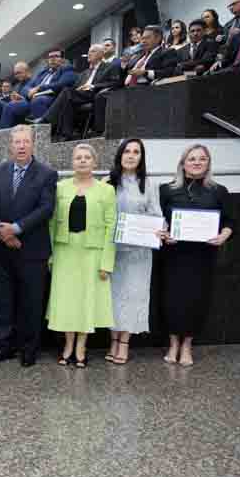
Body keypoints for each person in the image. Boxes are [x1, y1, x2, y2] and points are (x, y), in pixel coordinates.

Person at [0, 125, 58, 367]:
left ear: (33, 144)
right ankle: (3, 347)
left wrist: (16, 229)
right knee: (2, 302)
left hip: (32, 250)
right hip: (1, 249)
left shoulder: (47, 174)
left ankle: (29, 350)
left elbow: (46, 209)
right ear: (10, 145)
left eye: (26, 142)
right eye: (17, 142)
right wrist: (1, 231)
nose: (21, 146)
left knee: (31, 303)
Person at [157, 144, 234, 366]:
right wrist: (163, 234)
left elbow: (230, 221)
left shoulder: (219, 191)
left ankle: (187, 345)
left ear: (208, 163)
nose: (197, 162)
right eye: (192, 159)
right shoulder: (167, 190)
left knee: (196, 300)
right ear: (183, 163)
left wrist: (223, 236)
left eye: (202, 159)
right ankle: (173, 344)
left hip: (202, 257)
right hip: (173, 255)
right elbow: (158, 219)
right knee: (171, 299)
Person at [46, 144, 116, 368]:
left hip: (92, 253)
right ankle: (68, 345)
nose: (83, 161)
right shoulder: (60, 188)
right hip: (65, 251)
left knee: (86, 300)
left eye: (87, 157)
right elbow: (50, 224)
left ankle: (81, 346)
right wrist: (50, 255)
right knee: (66, 301)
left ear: (95, 163)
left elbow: (111, 227)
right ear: (72, 162)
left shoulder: (106, 191)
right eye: (78, 157)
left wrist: (107, 262)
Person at [105, 139, 162, 365]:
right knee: (113, 296)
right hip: (113, 251)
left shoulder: (149, 184)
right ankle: (112, 341)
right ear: (119, 155)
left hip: (139, 252)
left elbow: (156, 214)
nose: (131, 155)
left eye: (136, 152)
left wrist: (160, 229)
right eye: (127, 151)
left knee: (133, 296)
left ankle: (124, 342)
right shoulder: (108, 182)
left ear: (141, 157)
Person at [32, 44, 120, 141]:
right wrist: (79, 89)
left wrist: (93, 86)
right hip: (81, 94)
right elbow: (75, 87)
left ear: (101, 54)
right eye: (89, 52)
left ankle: (45, 121)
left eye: (92, 51)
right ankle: (66, 134)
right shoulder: (85, 72)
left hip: (95, 94)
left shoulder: (110, 67)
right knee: (67, 100)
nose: (89, 54)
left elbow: (114, 82)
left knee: (66, 92)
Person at [0, 49, 75, 129]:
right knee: (10, 105)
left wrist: (40, 88)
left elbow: (63, 83)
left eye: (56, 56)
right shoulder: (43, 72)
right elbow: (27, 87)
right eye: (50, 57)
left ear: (62, 59)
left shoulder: (67, 69)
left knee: (38, 100)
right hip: (33, 99)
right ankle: (2, 137)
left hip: (53, 98)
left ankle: (46, 132)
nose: (52, 59)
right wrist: (25, 94)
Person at [0, 62, 31, 132]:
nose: (17, 75)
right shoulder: (18, 85)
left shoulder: (33, 81)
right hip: (13, 105)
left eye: (19, 73)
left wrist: (20, 98)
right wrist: (14, 98)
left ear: (27, 71)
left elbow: (30, 96)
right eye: (15, 74)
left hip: (23, 107)